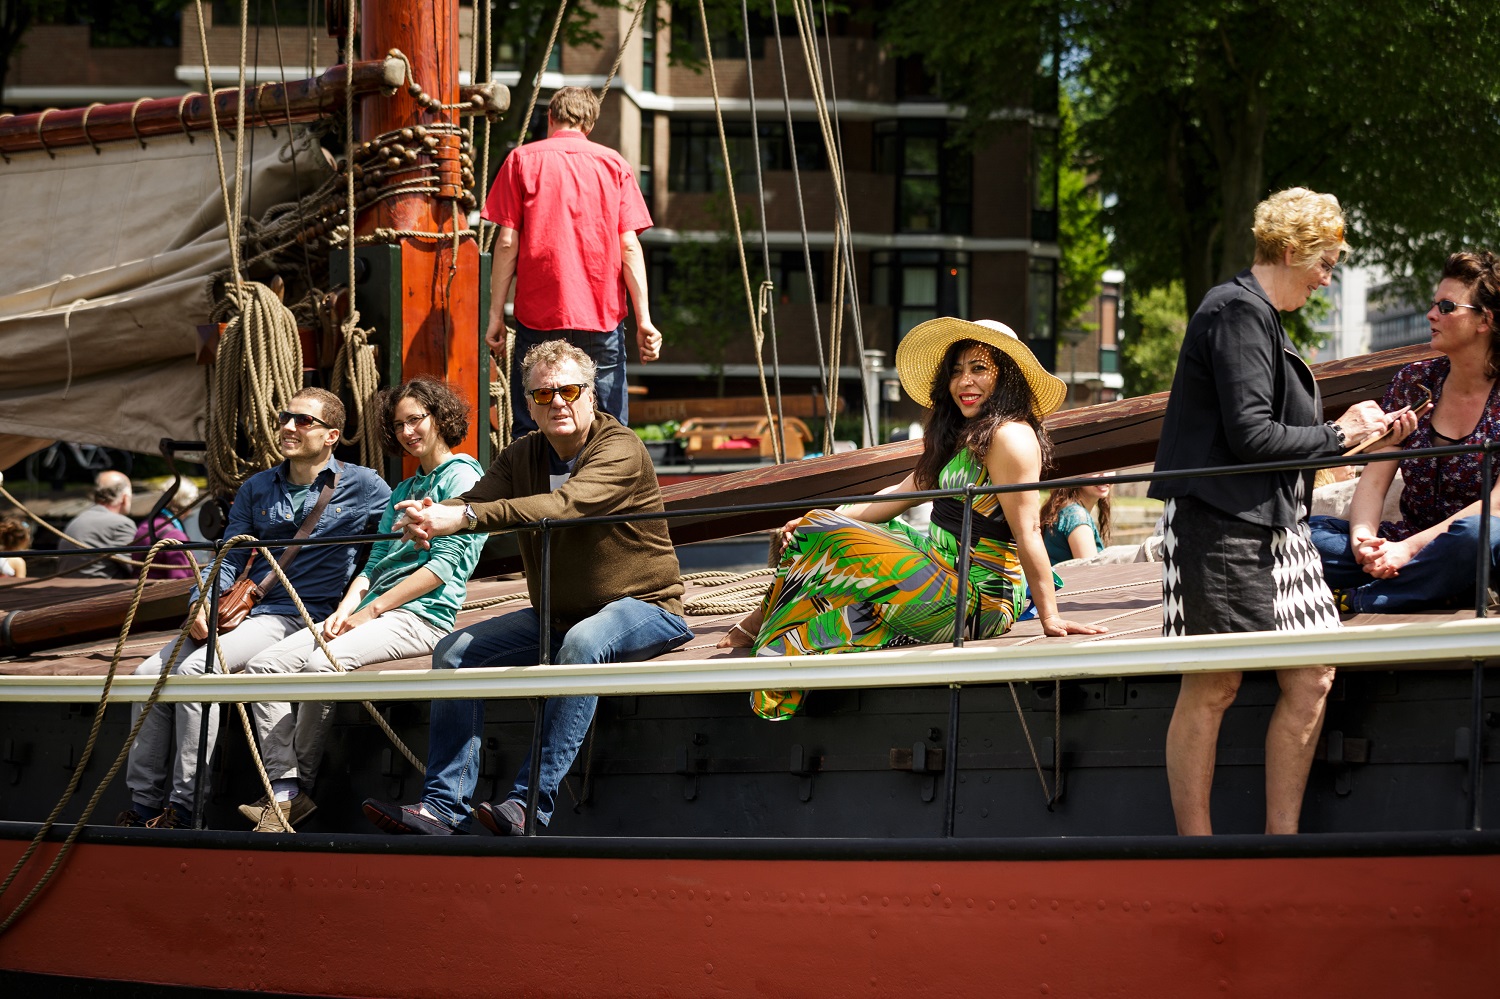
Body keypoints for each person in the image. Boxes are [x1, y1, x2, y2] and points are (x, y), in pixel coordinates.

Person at [1149, 188, 1406, 836]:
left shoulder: (1257, 315)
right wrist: (1340, 433)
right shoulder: (1237, 311)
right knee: (1213, 685)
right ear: (1291, 251)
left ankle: (1279, 842)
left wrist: (1358, 434)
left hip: (1272, 526)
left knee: (1313, 672)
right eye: (1325, 264)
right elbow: (1251, 436)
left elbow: (1264, 432)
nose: (1327, 279)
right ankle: (1198, 850)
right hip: (1221, 525)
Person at [362, 340, 691, 836]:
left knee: (583, 644)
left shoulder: (620, 448)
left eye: (568, 391)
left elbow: (564, 507)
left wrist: (463, 516)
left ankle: (528, 805)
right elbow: (475, 499)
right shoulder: (523, 454)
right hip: (559, 615)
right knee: (453, 653)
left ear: (591, 395)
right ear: (530, 406)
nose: (556, 402)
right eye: (542, 395)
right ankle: (443, 809)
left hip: (645, 606)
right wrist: (430, 516)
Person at [718, 317, 1106, 721]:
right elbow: (899, 494)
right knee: (821, 543)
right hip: (938, 569)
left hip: (976, 597)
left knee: (825, 569)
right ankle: (770, 629)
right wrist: (826, 521)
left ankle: (761, 624)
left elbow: (1027, 530)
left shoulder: (1010, 437)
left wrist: (1050, 616)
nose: (964, 381)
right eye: (956, 371)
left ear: (1007, 375)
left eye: (979, 369)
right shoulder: (963, 433)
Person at [118, 388, 391, 830]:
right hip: (249, 610)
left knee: (196, 674)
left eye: (303, 421)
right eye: (285, 417)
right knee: (145, 676)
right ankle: (145, 806)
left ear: (331, 436)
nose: (288, 427)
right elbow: (228, 558)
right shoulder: (257, 487)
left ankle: (185, 809)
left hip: (298, 614)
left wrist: (366, 604)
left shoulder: (365, 486)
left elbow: (393, 545)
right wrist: (200, 603)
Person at [239, 379, 487, 832]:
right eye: (399, 424)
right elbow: (373, 563)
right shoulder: (405, 487)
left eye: (416, 420)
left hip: (420, 616)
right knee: (263, 667)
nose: (407, 432)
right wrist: (346, 609)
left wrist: (368, 613)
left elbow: (441, 570)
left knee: (320, 666)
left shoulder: (463, 477)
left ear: (440, 418)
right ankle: (286, 787)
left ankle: (296, 794)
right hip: (371, 611)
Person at [1310, 250, 1500, 612]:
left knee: (1479, 535)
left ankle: (1365, 597)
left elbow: (1497, 505)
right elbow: (1376, 477)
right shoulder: (1414, 382)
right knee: (1308, 534)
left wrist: (1406, 551)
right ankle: (1429, 586)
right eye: (1434, 304)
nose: (1431, 314)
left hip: (1471, 543)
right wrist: (1364, 542)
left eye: (1446, 307)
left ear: (1484, 320)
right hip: (1409, 541)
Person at [481, 86, 663, 437]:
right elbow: (629, 247)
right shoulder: (614, 164)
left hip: (538, 313)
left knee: (534, 425)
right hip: (600, 314)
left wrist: (495, 314)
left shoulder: (521, 160)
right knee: (609, 427)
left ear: (550, 117)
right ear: (589, 125)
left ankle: (539, 474)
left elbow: (506, 243)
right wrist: (645, 320)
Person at [56, 469, 135, 578]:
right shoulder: (121, 524)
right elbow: (136, 568)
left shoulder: (77, 520)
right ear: (125, 498)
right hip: (102, 587)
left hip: (66, 586)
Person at [131, 478, 202, 580]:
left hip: (141, 587)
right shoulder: (175, 535)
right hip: (162, 589)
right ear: (187, 506)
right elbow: (179, 579)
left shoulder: (145, 526)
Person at [1041, 476, 1112, 565]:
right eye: (1096, 469)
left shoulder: (1066, 509)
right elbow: (1090, 571)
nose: (1105, 475)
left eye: (1110, 469)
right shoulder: (1076, 516)